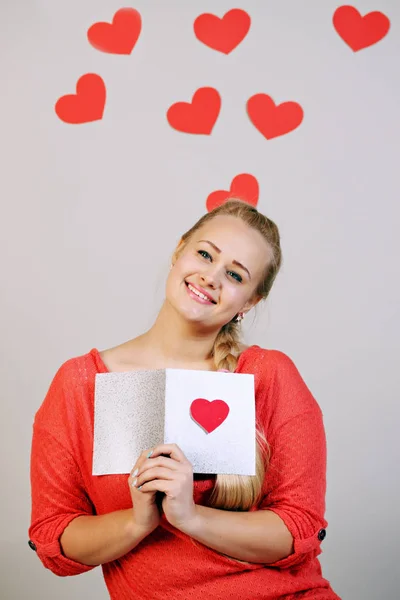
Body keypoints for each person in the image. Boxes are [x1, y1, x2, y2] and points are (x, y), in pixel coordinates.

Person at [28, 199, 340, 599]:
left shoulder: (269, 375)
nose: (211, 277)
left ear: (249, 303)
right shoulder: (81, 383)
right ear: (179, 251)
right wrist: (137, 521)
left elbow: (301, 528)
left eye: (235, 275)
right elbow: (54, 534)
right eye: (205, 254)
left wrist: (190, 517)